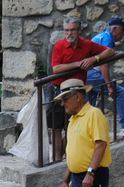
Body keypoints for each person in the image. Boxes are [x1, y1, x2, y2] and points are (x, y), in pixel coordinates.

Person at [48, 18, 113, 161]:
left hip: (77, 91)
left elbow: (110, 51)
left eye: (72, 30)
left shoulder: (86, 45)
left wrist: (94, 58)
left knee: (75, 124)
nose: (69, 33)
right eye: (66, 30)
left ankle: (68, 156)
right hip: (58, 89)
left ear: (79, 31)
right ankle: (57, 160)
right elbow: (56, 68)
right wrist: (78, 64)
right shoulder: (59, 46)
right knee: (56, 127)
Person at [86, 16, 124, 136]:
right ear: (114, 29)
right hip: (92, 73)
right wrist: (109, 85)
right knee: (119, 93)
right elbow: (103, 65)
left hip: (87, 74)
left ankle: (88, 132)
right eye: (122, 30)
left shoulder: (101, 37)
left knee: (89, 104)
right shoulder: (107, 39)